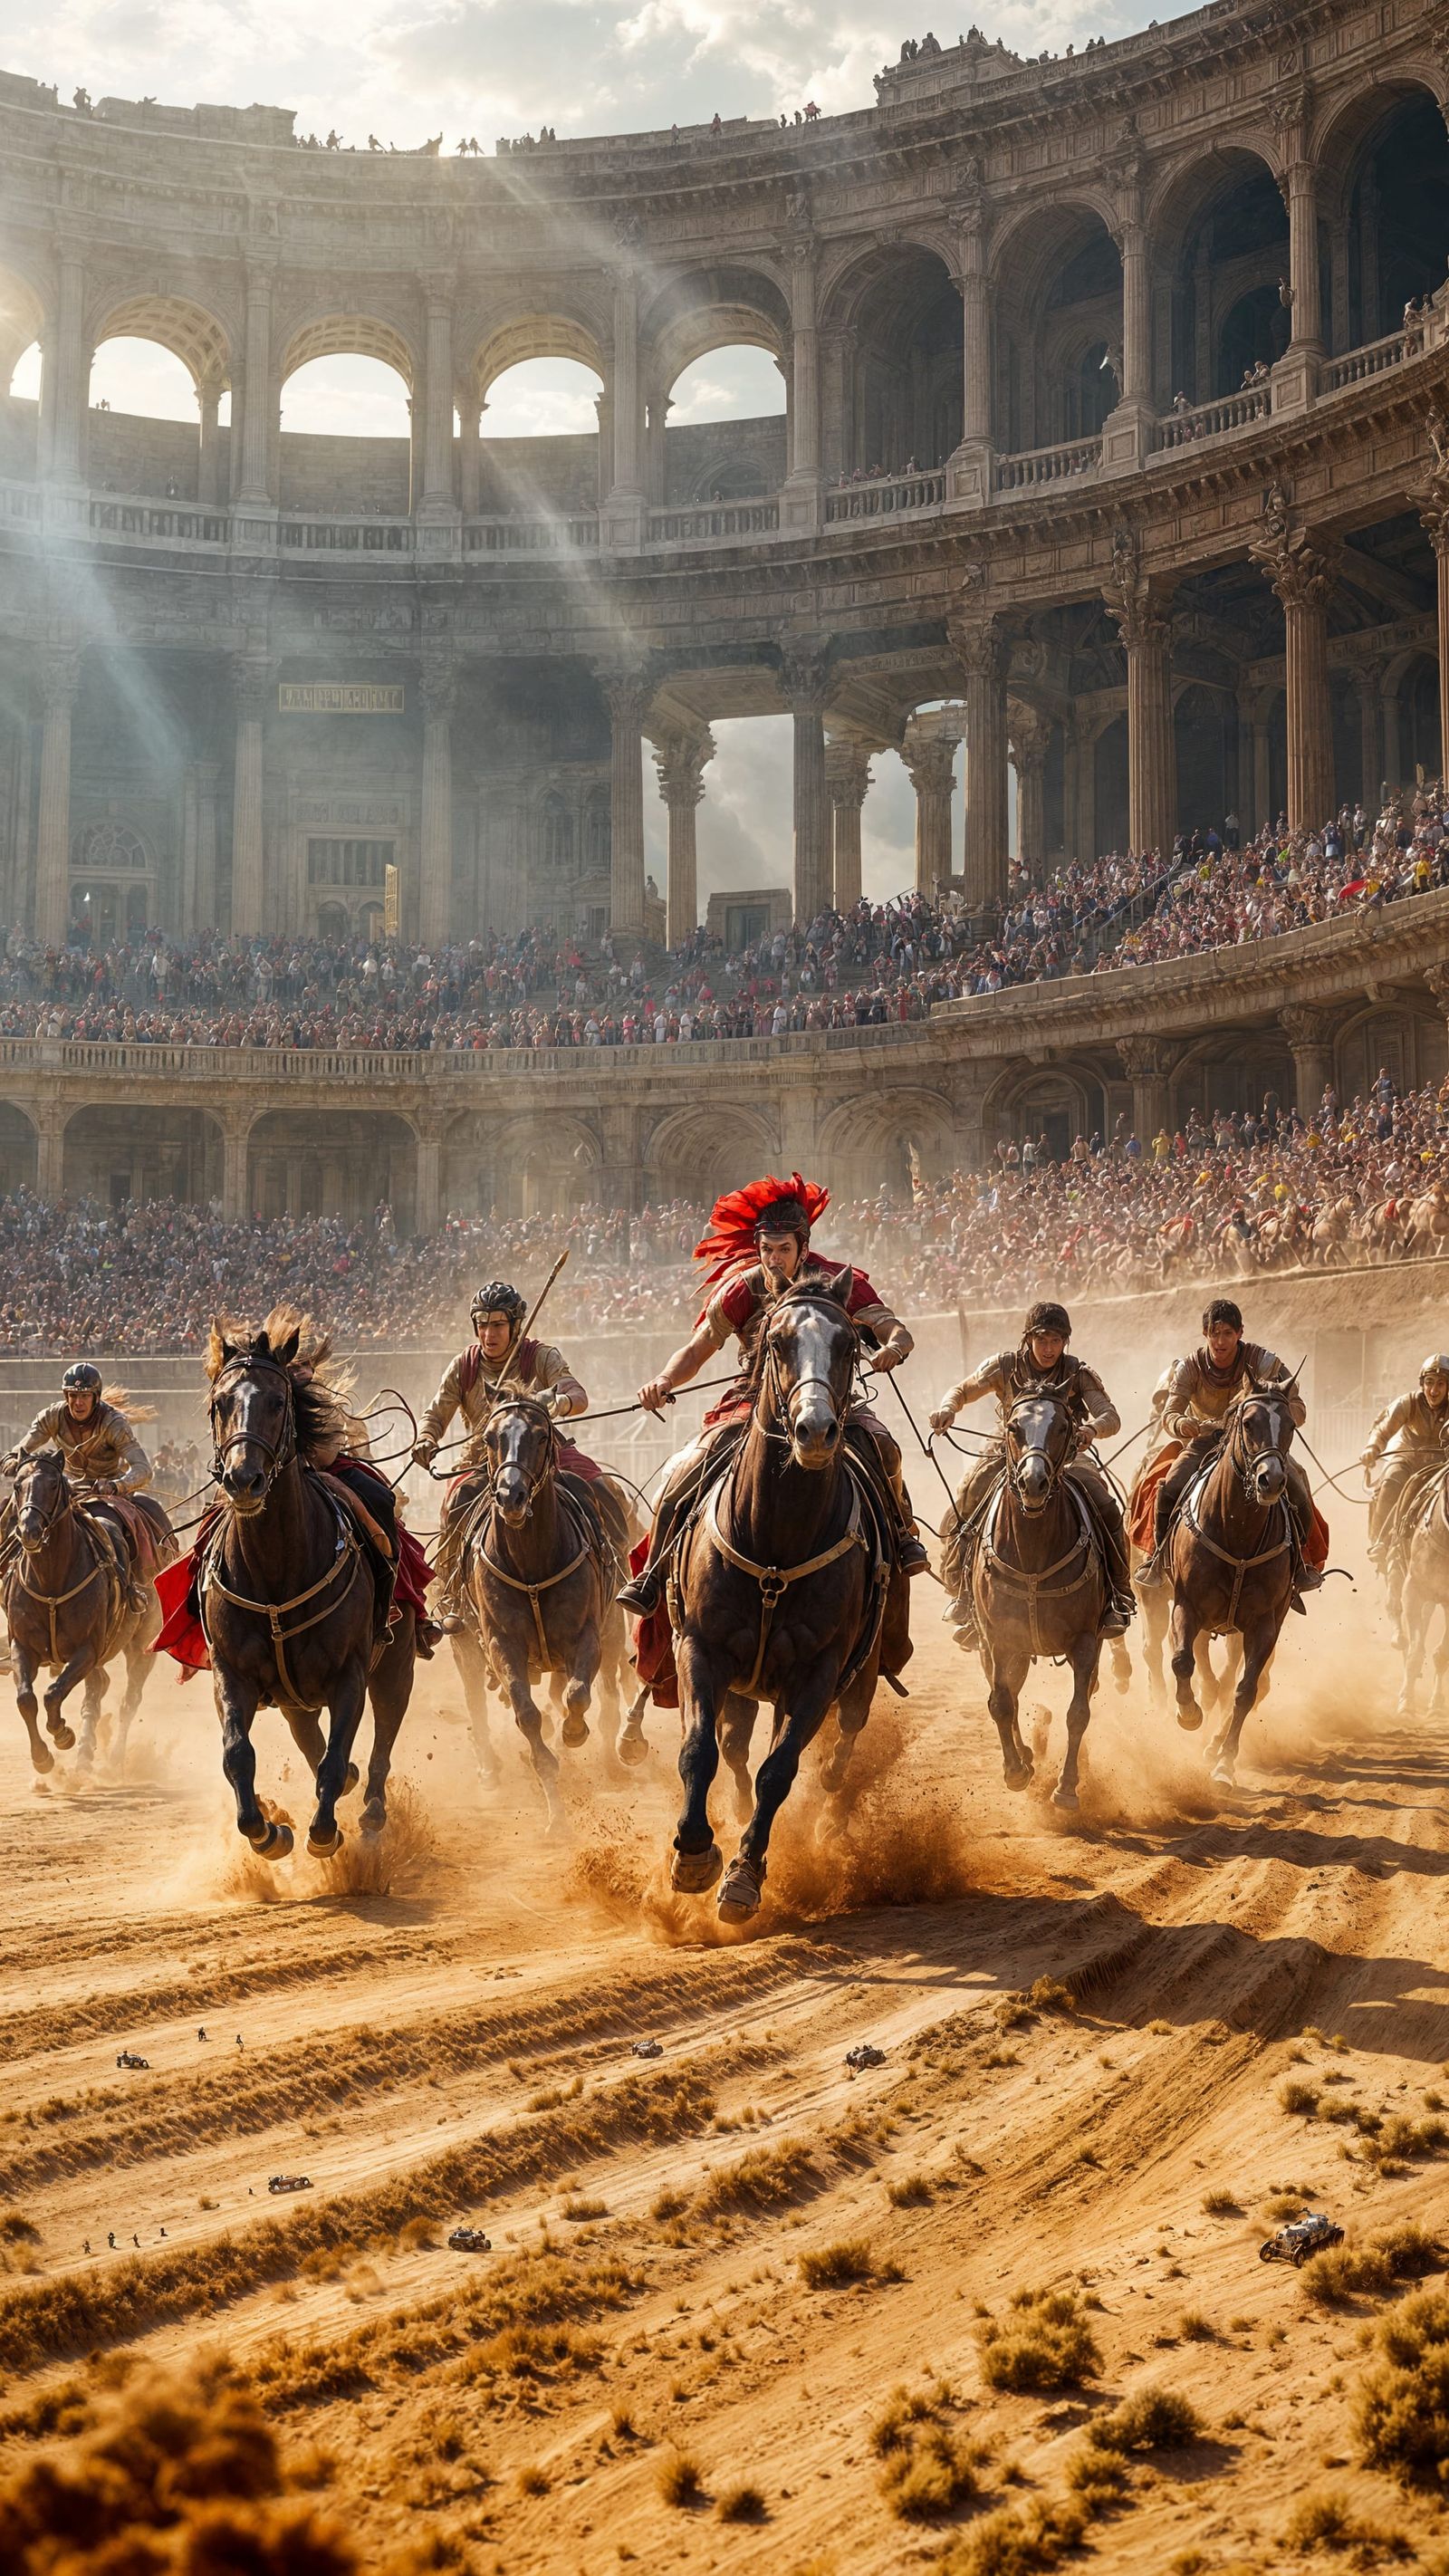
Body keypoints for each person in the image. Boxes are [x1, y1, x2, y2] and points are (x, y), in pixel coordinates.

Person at [617, 1172, 927, 1618]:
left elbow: (893, 1329)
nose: (775, 1260)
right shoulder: (745, 1287)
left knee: (883, 1446)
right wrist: (664, 1380)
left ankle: (901, 1535)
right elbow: (699, 1348)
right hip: (754, 1401)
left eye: (785, 1249)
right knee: (686, 1465)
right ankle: (652, 1573)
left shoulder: (841, 1282)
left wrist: (893, 1348)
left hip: (826, 1398)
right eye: (767, 1250)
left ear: (803, 1246)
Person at [413, 1283, 619, 1623]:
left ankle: (613, 1564)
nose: (488, 1333)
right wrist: (426, 1438)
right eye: (482, 1324)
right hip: (485, 1458)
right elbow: (436, 1412)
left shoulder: (541, 1356)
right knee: (457, 1503)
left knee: (597, 1485)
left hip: (541, 1453)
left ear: (515, 1326)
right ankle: (452, 1595)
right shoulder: (464, 1365)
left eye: (497, 1325)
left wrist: (558, 1402)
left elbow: (577, 1394)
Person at [928, 1302, 1135, 1641]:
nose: (1049, 1348)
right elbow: (962, 1390)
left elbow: (1110, 1416)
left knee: (1106, 1506)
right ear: (1028, 1339)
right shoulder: (1004, 1365)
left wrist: (1090, 1431)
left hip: (1065, 1454)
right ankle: (963, 1595)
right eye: (1042, 1340)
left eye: (1056, 1340)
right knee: (964, 1504)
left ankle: (1117, 1593)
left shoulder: (1078, 1373)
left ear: (1065, 1342)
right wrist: (948, 1408)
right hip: (1007, 1451)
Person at [1138, 1297, 1319, 1596]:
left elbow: (1297, 1403)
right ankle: (1157, 1559)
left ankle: (1300, 1566)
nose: (1220, 1341)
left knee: (1297, 1486)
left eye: (1227, 1333)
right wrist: (1182, 1424)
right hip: (1203, 1444)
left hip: (1255, 1446)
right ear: (1205, 1335)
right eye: (1214, 1333)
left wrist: (1285, 1417)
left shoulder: (1264, 1362)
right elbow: (1170, 1413)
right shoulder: (1189, 1367)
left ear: (1240, 1333)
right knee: (1169, 1488)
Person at [2, 1362, 166, 1613]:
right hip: (64, 1490)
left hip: (105, 1494)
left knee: (111, 1529)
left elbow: (143, 1469)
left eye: (85, 1396)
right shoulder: (52, 1416)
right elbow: (25, 1445)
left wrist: (117, 1485)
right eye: (73, 1396)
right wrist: (13, 1457)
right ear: (66, 1396)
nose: (78, 1402)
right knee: (11, 1510)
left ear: (95, 1397)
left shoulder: (114, 1422)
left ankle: (130, 1587)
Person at [1360, 1354, 1449, 1619]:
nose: (1434, 1390)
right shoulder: (1408, 1403)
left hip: (1442, 1463)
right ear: (1422, 1383)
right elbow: (1383, 1429)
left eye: (1441, 1384)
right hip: (1407, 1458)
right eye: (1429, 1382)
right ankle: (1381, 1542)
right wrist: (1372, 1448)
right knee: (1390, 1483)